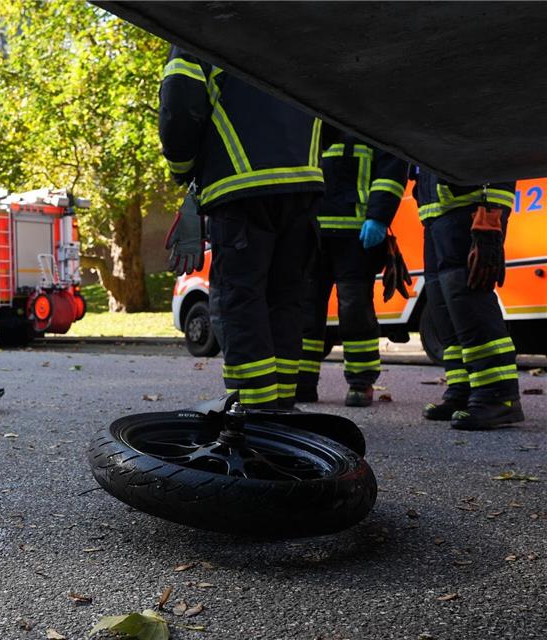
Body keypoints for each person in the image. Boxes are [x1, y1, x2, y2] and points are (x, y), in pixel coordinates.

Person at [159, 45, 326, 409]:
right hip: (303, 185)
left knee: (240, 298)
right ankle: (282, 407)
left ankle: (254, 411)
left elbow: (180, 105)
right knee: (286, 299)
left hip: (239, 189)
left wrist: (184, 171)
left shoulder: (201, 24)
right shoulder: (298, 28)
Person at [296, 135, 408, 406]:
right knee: (305, 311)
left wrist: (379, 216)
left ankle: (361, 382)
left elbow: (391, 169)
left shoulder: (368, 118)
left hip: (356, 235)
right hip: (313, 233)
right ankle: (302, 383)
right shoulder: (311, 116)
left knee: (355, 309)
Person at [413, 168, 523, 429]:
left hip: (470, 208)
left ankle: (498, 396)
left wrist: (494, 210)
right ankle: (463, 389)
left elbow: (497, 151)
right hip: (435, 214)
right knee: (445, 306)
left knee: (469, 299)